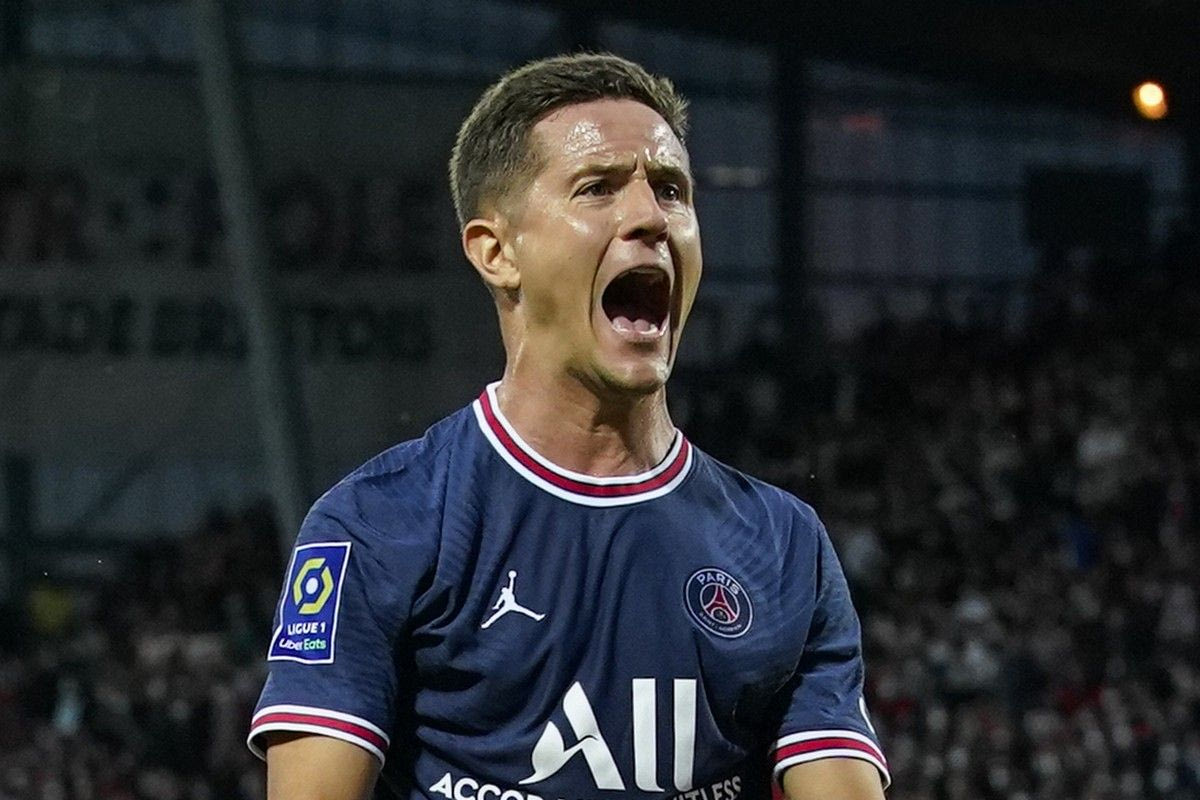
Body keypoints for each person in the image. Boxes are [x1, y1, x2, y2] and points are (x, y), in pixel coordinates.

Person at [248, 53, 888, 800]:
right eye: (598, 187)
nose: (651, 218)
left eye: (671, 190)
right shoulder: (377, 524)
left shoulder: (784, 546)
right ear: (497, 252)